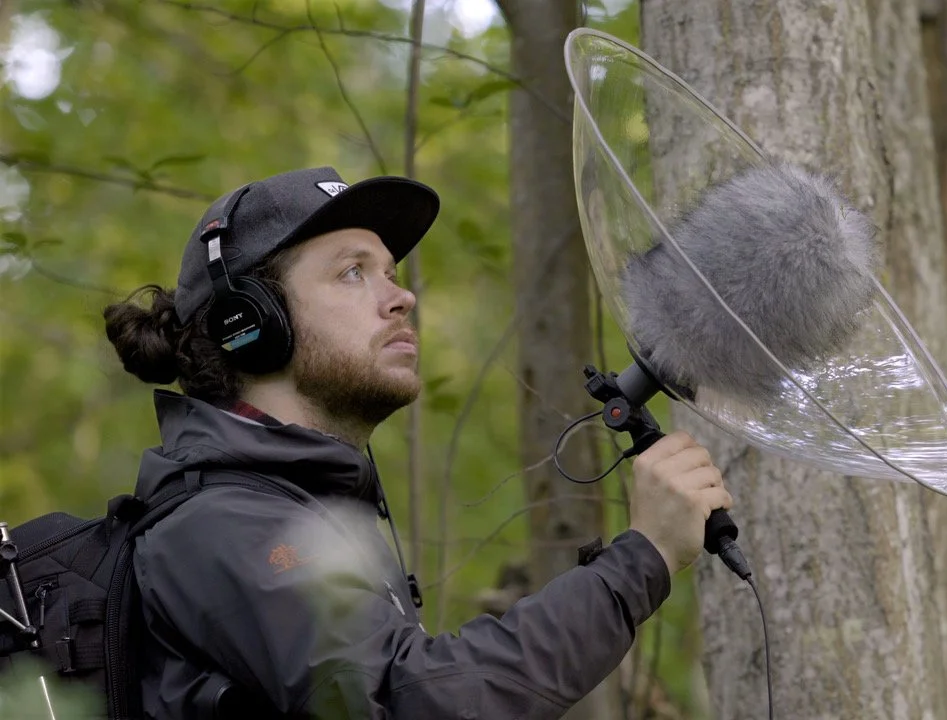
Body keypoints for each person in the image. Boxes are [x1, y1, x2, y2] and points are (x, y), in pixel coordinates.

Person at [101, 166, 734, 719]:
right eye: (353, 273)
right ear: (250, 324)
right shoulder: (219, 526)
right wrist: (642, 556)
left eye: (392, 274)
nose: (402, 297)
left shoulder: (296, 509)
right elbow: (415, 701)